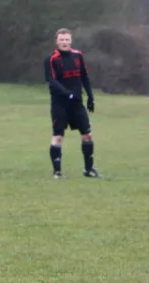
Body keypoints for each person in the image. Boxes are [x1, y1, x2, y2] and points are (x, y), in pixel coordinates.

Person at [44, 28, 100, 179]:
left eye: (67, 39)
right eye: (62, 40)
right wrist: (67, 94)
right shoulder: (51, 59)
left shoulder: (78, 55)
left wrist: (90, 96)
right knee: (58, 137)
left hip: (77, 104)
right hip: (60, 104)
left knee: (87, 135)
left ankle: (89, 170)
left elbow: (84, 76)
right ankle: (57, 172)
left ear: (71, 40)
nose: (64, 42)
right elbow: (52, 81)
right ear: (57, 41)